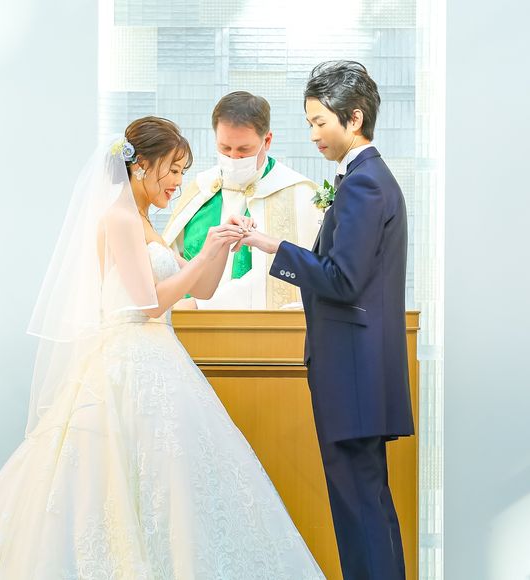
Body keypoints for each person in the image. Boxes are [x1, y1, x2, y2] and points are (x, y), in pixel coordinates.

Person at [0, 116, 325, 579]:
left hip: (158, 357)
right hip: (126, 361)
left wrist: (219, 246)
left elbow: (202, 290)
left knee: (170, 484)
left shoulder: (146, 223)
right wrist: (205, 252)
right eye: (174, 170)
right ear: (142, 166)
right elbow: (148, 304)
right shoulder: (120, 218)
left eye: (183, 172)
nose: (179, 182)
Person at [234, 61, 415, 580]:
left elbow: (342, 278)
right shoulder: (366, 179)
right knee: (367, 505)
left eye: (319, 122)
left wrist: (273, 246)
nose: (313, 134)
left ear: (353, 118)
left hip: (352, 374)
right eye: (310, 122)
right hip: (359, 372)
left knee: (359, 509)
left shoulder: (363, 184)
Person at [163, 91, 322, 310]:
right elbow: (168, 259)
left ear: (267, 141)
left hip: (256, 327)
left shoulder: (298, 194)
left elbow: (286, 280)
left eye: (244, 150)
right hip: (187, 322)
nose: (233, 158)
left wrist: (201, 305)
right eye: (225, 148)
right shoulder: (201, 189)